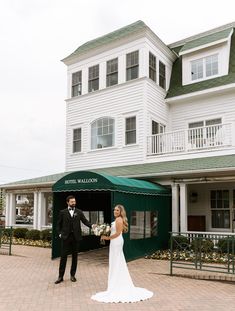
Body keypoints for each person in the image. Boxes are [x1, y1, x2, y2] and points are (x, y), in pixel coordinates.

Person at [91, 204, 153, 303]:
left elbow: (118, 233)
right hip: (114, 241)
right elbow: (112, 231)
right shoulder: (117, 219)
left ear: (121, 212)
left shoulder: (119, 220)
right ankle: (115, 282)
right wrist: (102, 230)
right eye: (114, 210)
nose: (115, 211)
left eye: (117, 210)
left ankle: (117, 284)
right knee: (116, 261)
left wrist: (107, 238)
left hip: (116, 241)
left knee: (117, 262)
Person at [55, 195, 96, 284]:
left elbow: (85, 221)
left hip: (76, 237)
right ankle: (60, 276)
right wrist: (60, 234)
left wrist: (92, 226)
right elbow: (58, 225)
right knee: (63, 257)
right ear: (68, 202)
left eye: (74, 201)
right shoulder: (62, 212)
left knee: (75, 257)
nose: (74, 203)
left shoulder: (79, 212)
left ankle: (72, 275)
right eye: (72, 202)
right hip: (65, 237)